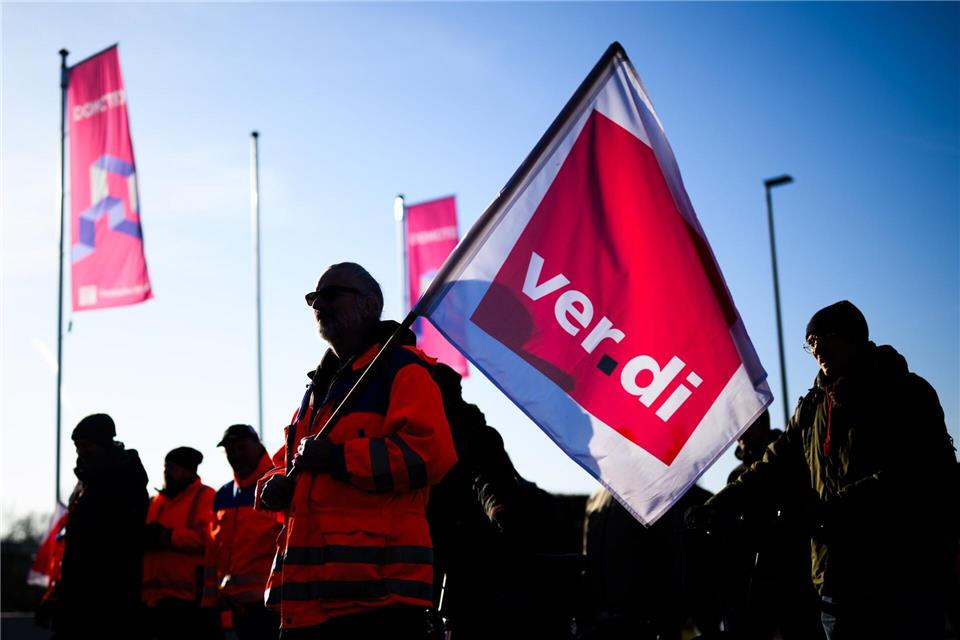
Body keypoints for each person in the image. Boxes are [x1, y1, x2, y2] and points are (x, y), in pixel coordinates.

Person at [693, 301, 958, 639]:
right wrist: (717, 506)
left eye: (824, 337)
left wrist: (831, 510)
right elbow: (770, 466)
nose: (816, 348)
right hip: (836, 584)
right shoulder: (811, 410)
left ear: (853, 337)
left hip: (904, 577)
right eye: (810, 341)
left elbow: (917, 473)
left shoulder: (904, 392)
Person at [256, 262, 458, 639]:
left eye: (331, 294)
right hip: (307, 607)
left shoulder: (403, 371)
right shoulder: (317, 390)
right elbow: (286, 465)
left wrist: (337, 459)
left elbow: (430, 456)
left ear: (369, 305)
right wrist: (273, 485)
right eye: (314, 297)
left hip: (378, 604)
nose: (319, 304)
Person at [51, 413, 149, 640]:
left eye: (86, 445)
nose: (80, 452)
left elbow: (120, 538)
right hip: (79, 594)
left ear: (104, 443)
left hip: (110, 597)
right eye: (77, 446)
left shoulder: (124, 478)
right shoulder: (86, 481)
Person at [211, 424, 282, 639]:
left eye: (242, 447)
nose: (236, 455)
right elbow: (213, 551)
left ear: (257, 445)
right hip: (231, 607)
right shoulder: (223, 494)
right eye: (230, 450)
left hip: (271, 608)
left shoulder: (279, 485)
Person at [143, 447, 221, 640]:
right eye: (165, 467)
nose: (166, 472)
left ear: (189, 470)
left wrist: (166, 537)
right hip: (153, 601)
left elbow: (207, 538)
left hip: (189, 602)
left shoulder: (206, 497)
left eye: (172, 467)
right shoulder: (155, 502)